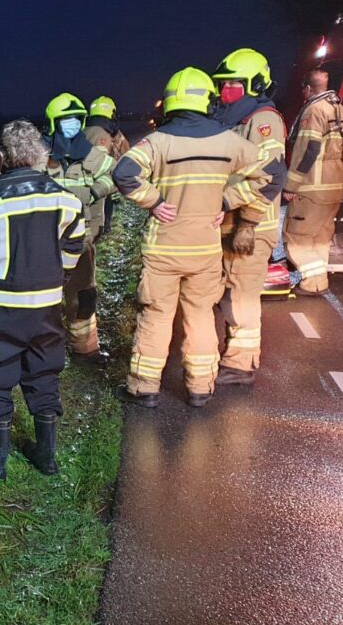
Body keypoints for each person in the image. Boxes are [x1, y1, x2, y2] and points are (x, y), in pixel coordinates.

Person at [113, 67, 283, 408]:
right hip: (205, 249)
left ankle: (144, 387)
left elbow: (124, 172)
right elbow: (273, 173)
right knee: (201, 314)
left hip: (163, 249)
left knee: (157, 314)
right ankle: (201, 387)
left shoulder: (158, 141)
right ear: (207, 100)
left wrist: (155, 202)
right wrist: (227, 201)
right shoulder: (229, 142)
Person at [0, 120, 85, 479]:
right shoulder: (64, 198)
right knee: (44, 373)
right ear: (41, 155)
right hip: (46, 307)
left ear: (2, 156)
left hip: (1, 308)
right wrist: (61, 278)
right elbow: (74, 246)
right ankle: (46, 457)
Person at [211, 48, 288, 386]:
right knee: (229, 291)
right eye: (223, 83)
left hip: (250, 226)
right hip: (230, 222)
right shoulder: (234, 119)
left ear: (255, 84)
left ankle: (241, 365)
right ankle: (232, 354)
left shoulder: (264, 120)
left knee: (241, 294)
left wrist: (249, 222)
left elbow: (272, 177)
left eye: (233, 83)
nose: (226, 88)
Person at [43, 93, 117, 362]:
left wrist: (95, 192)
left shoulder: (94, 155)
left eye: (77, 119)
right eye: (66, 120)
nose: (72, 124)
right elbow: (1, 175)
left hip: (82, 237)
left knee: (84, 294)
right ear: (53, 123)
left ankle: (85, 348)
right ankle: (45, 347)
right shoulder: (38, 155)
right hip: (45, 239)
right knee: (43, 295)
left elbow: (117, 175)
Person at [283, 68, 343, 296]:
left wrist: (291, 185)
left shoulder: (314, 110)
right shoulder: (337, 108)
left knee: (296, 236)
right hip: (334, 187)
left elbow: (307, 150)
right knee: (320, 236)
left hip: (312, 188)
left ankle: (312, 281)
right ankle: (318, 281)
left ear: (308, 88)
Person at [84, 96, 131, 237]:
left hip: (83, 184)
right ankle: (104, 230)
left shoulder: (82, 131)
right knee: (102, 216)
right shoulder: (112, 134)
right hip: (104, 184)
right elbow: (127, 156)